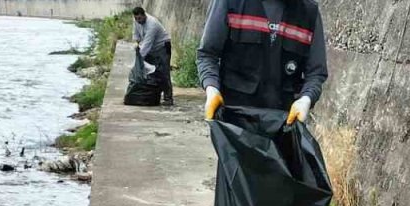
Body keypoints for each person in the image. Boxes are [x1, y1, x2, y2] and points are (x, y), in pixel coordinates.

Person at [196, 0, 328, 124]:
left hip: (284, 124)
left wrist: (306, 99)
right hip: (235, 123)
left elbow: (316, 73)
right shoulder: (231, 3)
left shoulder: (309, 12)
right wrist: (212, 89)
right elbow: (207, 54)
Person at [132, 6, 174, 106]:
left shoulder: (152, 24)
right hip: (151, 48)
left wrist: (139, 58)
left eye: (140, 18)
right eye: (136, 18)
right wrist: (137, 46)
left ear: (144, 15)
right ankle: (153, 95)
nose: (138, 21)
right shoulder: (136, 22)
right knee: (150, 72)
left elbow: (147, 43)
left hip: (162, 47)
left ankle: (168, 98)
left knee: (164, 73)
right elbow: (136, 36)